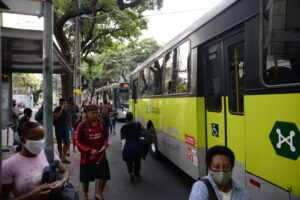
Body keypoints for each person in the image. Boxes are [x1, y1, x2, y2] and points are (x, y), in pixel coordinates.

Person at [2, 121, 70, 199]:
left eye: (42, 137)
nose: (40, 141)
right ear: (22, 140)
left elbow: (65, 171)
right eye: (35, 138)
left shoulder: (49, 153)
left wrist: (62, 182)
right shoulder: (8, 165)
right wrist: (31, 196)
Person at [75, 104, 110, 200]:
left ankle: (99, 193)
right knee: (85, 179)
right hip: (86, 158)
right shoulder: (82, 125)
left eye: (97, 113)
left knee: (104, 175)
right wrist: (89, 150)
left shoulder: (102, 123)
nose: (95, 115)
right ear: (87, 113)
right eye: (93, 113)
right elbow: (77, 141)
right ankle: (85, 196)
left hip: (101, 156)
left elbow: (106, 136)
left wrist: (105, 145)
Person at [120, 112, 146, 182]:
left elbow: (122, 138)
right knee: (137, 161)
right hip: (137, 146)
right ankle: (137, 174)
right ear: (132, 118)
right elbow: (145, 130)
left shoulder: (124, 127)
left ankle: (131, 172)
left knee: (129, 161)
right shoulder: (137, 124)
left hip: (128, 147)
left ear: (126, 119)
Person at [53, 98, 71, 164]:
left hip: (65, 128)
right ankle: (60, 155)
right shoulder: (56, 109)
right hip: (58, 128)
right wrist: (61, 109)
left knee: (66, 142)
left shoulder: (66, 109)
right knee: (59, 143)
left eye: (65, 103)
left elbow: (68, 117)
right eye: (63, 103)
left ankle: (64, 157)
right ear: (60, 103)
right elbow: (56, 117)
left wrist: (70, 125)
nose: (65, 105)